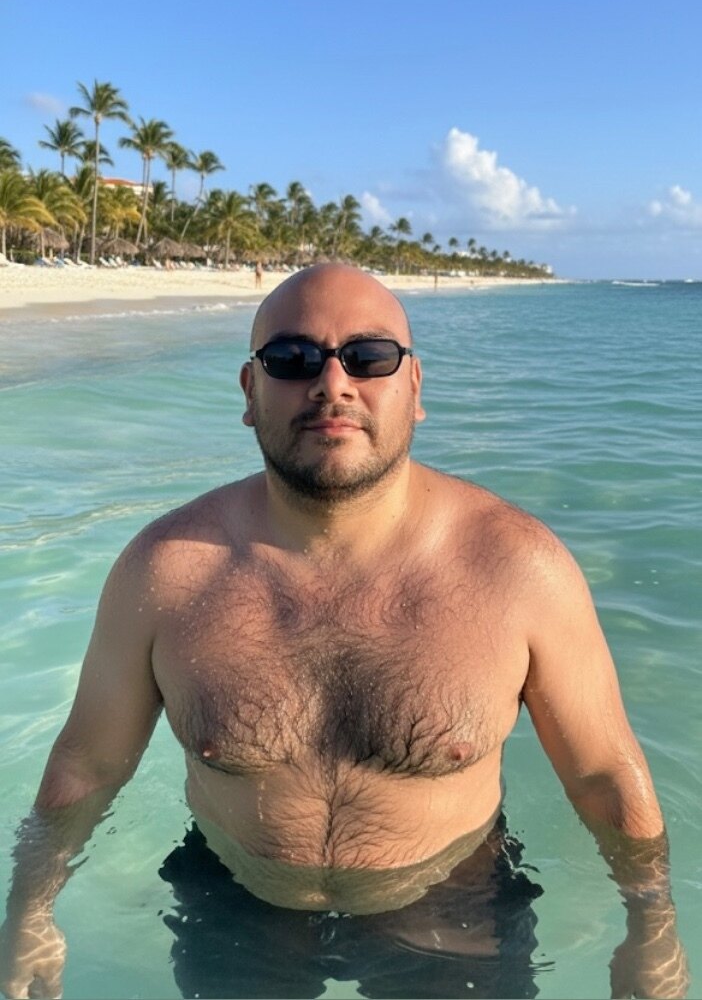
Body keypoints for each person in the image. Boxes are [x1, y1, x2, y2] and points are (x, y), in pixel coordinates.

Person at [0, 265, 689, 1000]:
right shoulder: (166, 572)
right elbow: (88, 765)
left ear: (414, 387)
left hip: (454, 906)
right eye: (292, 359)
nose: (332, 384)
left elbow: (602, 775)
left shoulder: (518, 569)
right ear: (249, 391)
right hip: (234, 900)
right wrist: (29, 912)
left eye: (368, 357)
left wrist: (652, 927)